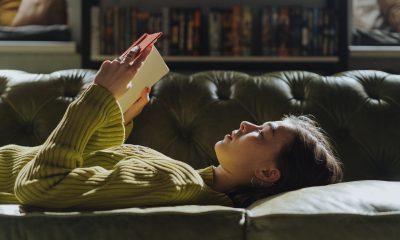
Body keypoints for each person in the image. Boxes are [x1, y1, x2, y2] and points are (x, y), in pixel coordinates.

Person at [0, 45, 343, 210]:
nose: (245, 123)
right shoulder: (186, 177)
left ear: (269, 174)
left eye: (262, 133)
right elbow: (87, 166)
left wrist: (97, 96)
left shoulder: (176, 182)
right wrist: (115, 115)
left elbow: (40, 184)